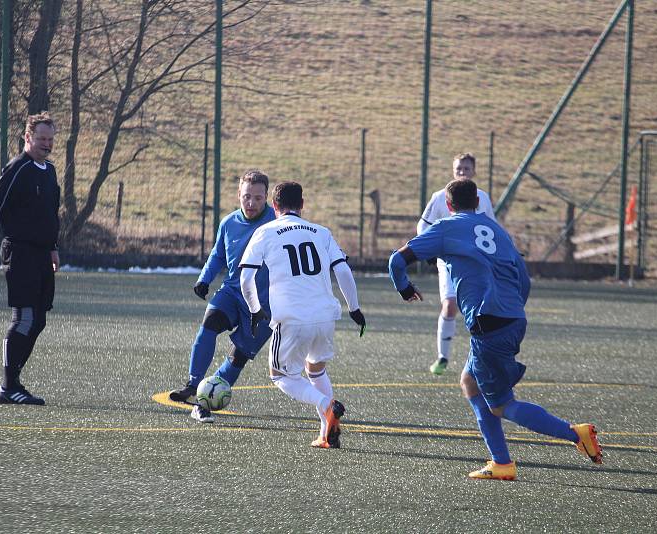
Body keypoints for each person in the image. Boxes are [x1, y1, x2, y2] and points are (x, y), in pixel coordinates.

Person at [389, 179, 602, 480]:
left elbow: (397, 259)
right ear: (477, 202)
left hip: (490, 324)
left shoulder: (446, 227)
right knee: (469, 382)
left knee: (502, 404)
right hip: (513, 318)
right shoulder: (498, 231)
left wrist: (405, 288)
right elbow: (523, 278)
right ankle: (501, 462)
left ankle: (574, 434)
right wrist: (511, 308)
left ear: (448, 206)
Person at [240, 181, 366, 449]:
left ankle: (326, 405)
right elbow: (343, 271)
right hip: (325, 317)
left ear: (274, 206)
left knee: (281, 376)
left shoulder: (265, 231)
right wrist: (354, 308)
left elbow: (246, 277)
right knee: (316, 369)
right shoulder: (321, 232)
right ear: (302, 205)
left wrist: (254, 309)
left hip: (292, 318)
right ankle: (325, 433)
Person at [168, 170, 276, 423]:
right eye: (246, 197)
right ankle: (193, 385)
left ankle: (206, 400)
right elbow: (218, 255)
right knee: (209, 324)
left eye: (258, 198)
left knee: (238, 356)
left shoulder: (276, 222)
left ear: (267, 198)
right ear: (238, 194)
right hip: (233, 292)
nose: (251, 203)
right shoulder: (228, 223)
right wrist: (204, 279)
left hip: (265, 305)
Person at [0, 112, 61, 406]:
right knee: (25, 318)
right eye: (41, 139)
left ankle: (15, 382)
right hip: (19, 252)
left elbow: (51, 214)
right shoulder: (17, 168)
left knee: (39, 321)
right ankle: (8, 386)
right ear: (27, 138)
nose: (46, 144)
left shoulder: (49, 171)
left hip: (40, 255)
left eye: (50, 139)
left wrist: (53, 247)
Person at [418, 153, 496, 375]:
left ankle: (483, 357)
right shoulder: (440, 197)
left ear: (474, 171)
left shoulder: (482, 198)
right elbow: (422, 226)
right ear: (453, 171)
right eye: (459, 169)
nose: (462, 172)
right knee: (450, 305)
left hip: (476, 263)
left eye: (466, 169)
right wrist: (430, 250)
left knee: (481, 310)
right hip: (450, 261)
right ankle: (442, 357)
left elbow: (492, 228)